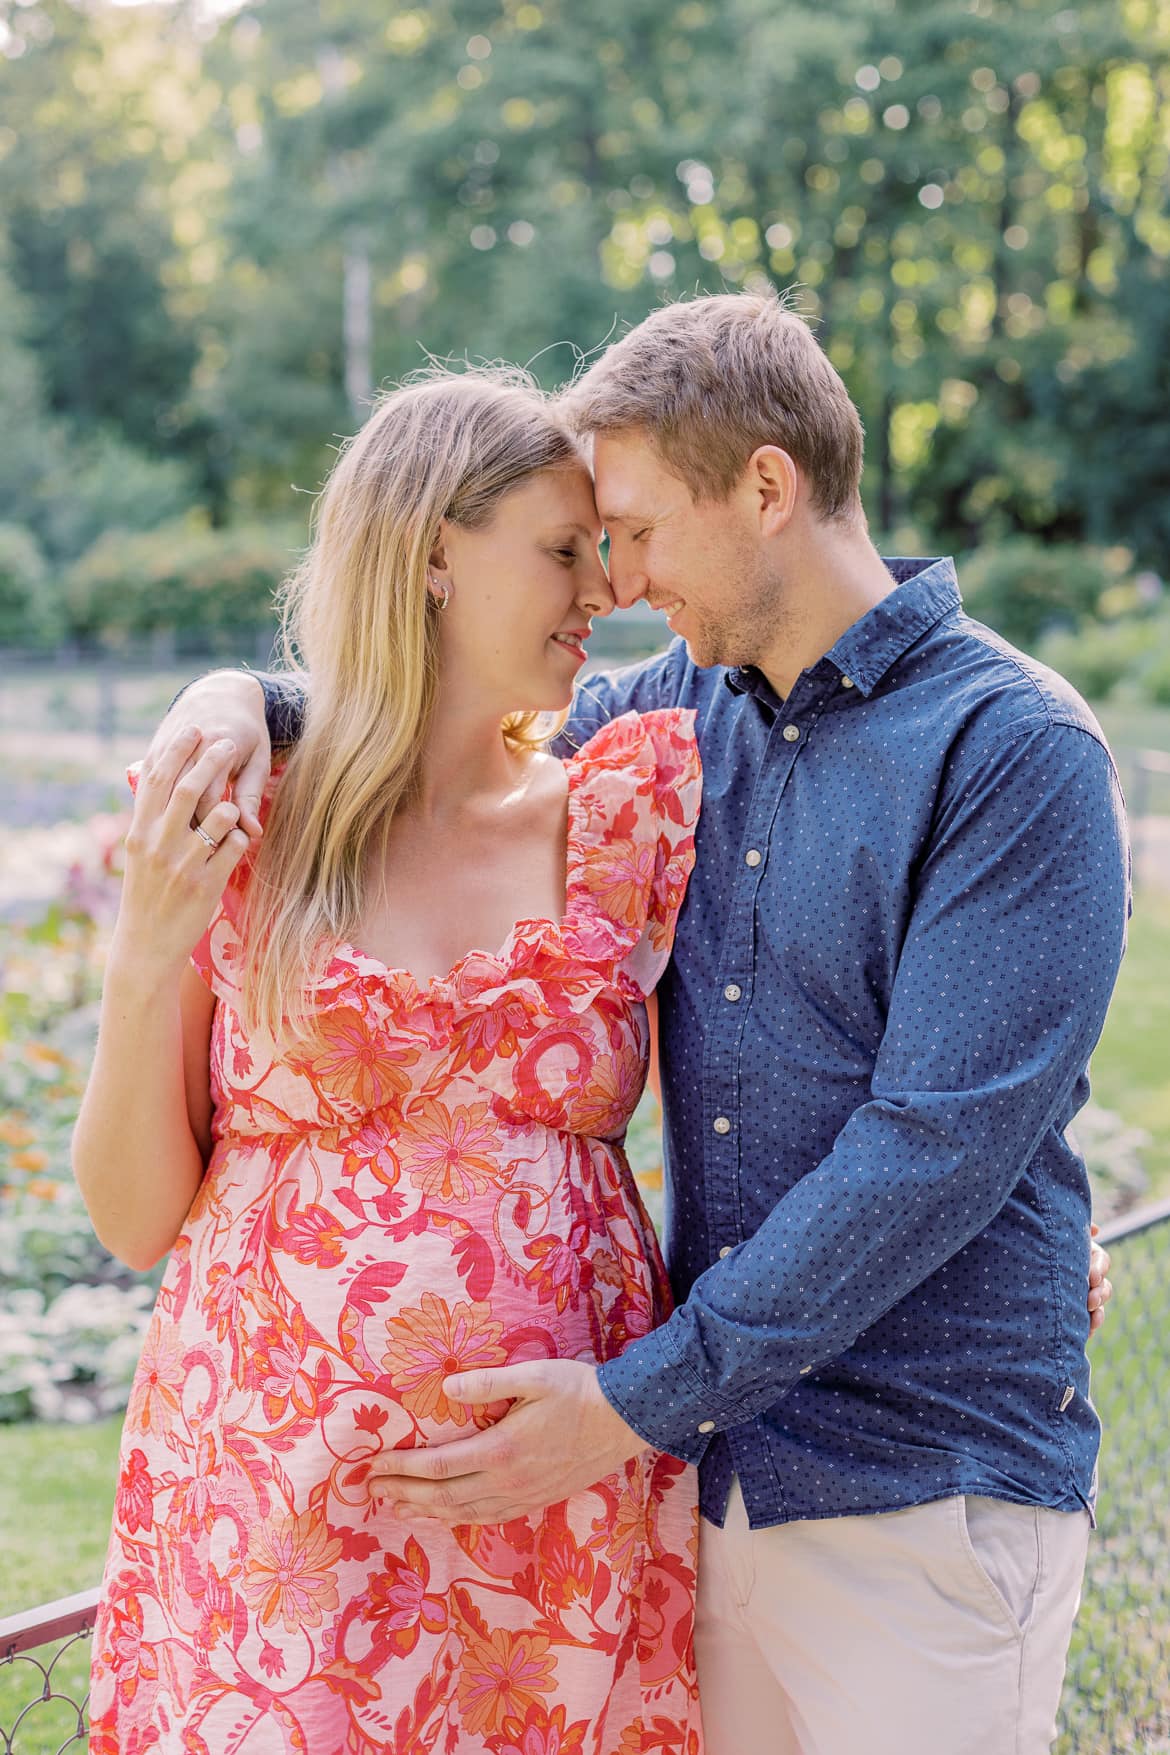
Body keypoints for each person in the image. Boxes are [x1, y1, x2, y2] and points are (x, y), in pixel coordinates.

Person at [167, 291, 1128, 1755]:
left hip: (925, 1489)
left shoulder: (1013, 750)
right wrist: (247, 698)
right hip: (718, 1482)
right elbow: (443, 708)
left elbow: (929, 1150)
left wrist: (624, 1403)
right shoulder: (686, 710)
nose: (609, 580)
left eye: (632, 529)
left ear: (763, 485)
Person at [73, 368, 706, 1754]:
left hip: (563, 1504)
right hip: (277, 1509)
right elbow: (131, 1221)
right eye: (560, 550)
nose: (603, 591)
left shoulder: (625, 819)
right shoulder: (242, 819)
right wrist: (144, 958)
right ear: (429, 551)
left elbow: (824, 1022)